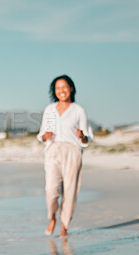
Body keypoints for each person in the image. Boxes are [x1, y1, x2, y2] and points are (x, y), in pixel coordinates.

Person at [37, 75, 93, 238]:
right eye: (58, 88)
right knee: (51, 190)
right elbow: (41, 135)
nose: (61, 90)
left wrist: (82, 136)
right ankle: (52, 217)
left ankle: (64, 225)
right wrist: (45, 136)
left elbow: (87, 137)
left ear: (71, 88)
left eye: (64, 87)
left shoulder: (78, 110)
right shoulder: (50, 109)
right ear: (54, 91)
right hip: (53, 150)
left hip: (73, 151)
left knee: (70, 190)